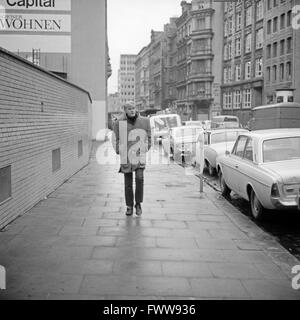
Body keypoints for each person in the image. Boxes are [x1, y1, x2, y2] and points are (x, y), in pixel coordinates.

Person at [112, 102, 152, 216]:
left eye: (133, 108)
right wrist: (119, 150)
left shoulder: (145, 121)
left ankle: (138, 204)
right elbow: (115, 139)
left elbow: (149, 138)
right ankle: (129, 206)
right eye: (129, 109)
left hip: (139, 155)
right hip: (126, 157)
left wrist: (144, 149)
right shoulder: (119, 123)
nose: (132, 110)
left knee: (139, 178)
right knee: (128, 183)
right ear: (125, 110)